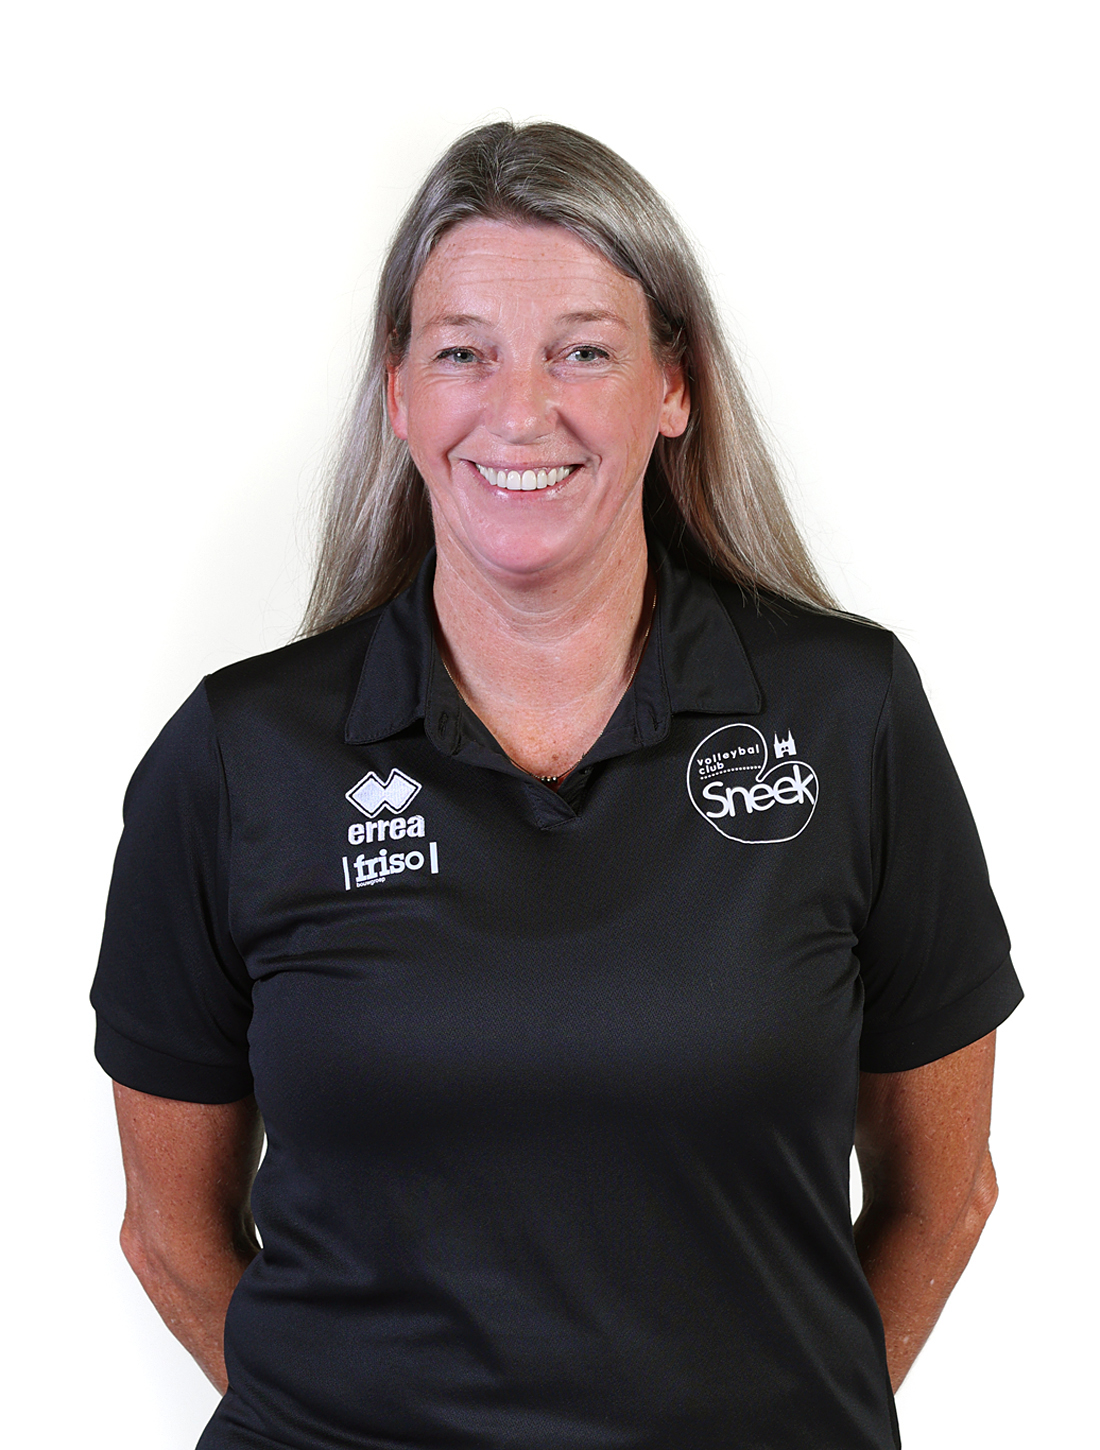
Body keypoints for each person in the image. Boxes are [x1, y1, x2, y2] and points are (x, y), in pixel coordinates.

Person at [92, 121, 1022, 1450]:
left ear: (673, 386)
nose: (520, 410)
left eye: (583, 350)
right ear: (400, 394)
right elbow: (167, 1231)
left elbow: (947, 1193)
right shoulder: (241, 758)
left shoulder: (846, 714)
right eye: (461, 352)